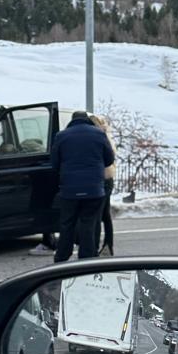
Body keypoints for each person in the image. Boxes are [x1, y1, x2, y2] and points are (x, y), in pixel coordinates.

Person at [51, 110, 114, 262]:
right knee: (89, 223)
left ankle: (62, 257)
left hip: (69, 190)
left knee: (67, 224)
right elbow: (109, 159)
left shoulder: (61, 136)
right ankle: (86, 258)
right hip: (94, 189)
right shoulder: (99, 134)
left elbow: (54, 163)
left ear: (72, 121)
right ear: (87, 120)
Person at [90, 113, 117, 256]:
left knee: (97, 215)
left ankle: (95, 246)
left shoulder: (100, 137)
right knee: (105, 214)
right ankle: (108, 245)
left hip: (102, 178)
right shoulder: (106, 136)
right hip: (108, 177)